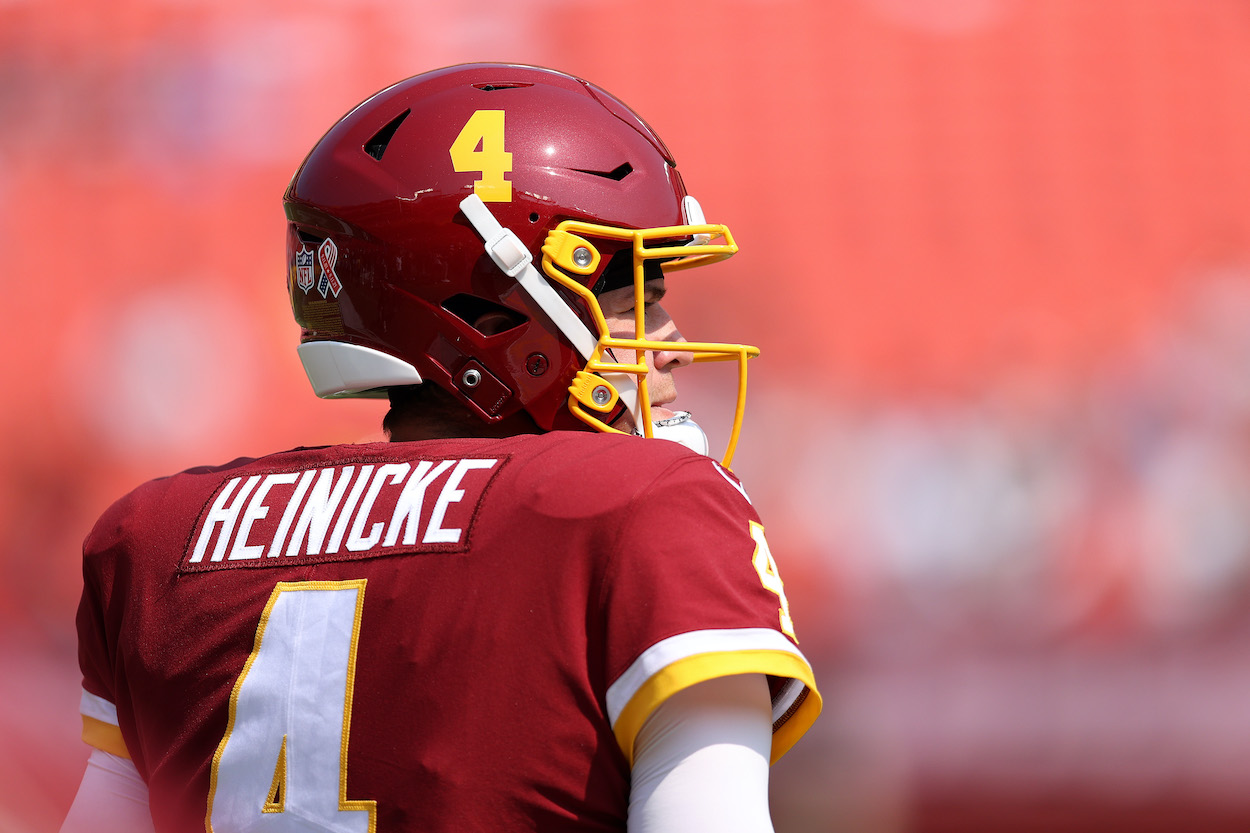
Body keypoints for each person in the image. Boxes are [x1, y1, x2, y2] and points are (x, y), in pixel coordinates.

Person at [62, 62, 821, 833]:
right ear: (487, 311)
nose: (674, 347)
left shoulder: (159, 539)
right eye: (635, 301)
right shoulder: (646, 509)